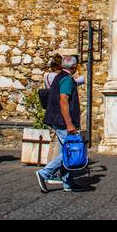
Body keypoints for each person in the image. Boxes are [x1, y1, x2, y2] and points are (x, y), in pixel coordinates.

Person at [37, 55, 82, 193]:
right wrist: (69, 123)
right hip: (63, 121)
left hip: (57, 119)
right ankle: (45, 173)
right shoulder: (67, 80)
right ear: (74, 67)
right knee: (69, 151)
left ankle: (68, 182)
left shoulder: (59, 77)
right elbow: (64, 101)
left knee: (66, 150)